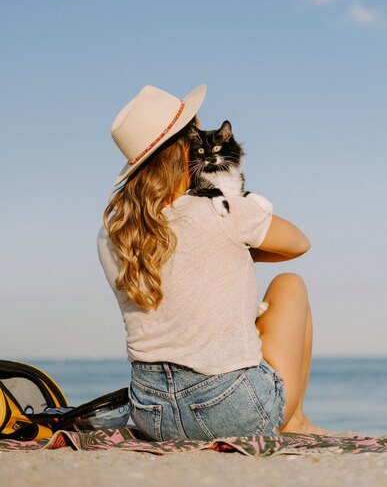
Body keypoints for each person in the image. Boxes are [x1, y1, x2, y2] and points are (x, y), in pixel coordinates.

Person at [98, 84, 323, 440]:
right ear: (185, 149)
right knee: (290, 283)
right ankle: (295, 421)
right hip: (230, 409)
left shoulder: (113, 233)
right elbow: (298, 243)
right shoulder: (221, 211)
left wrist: (224, 251)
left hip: (152, 414)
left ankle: (295, 420)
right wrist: (238, 244)